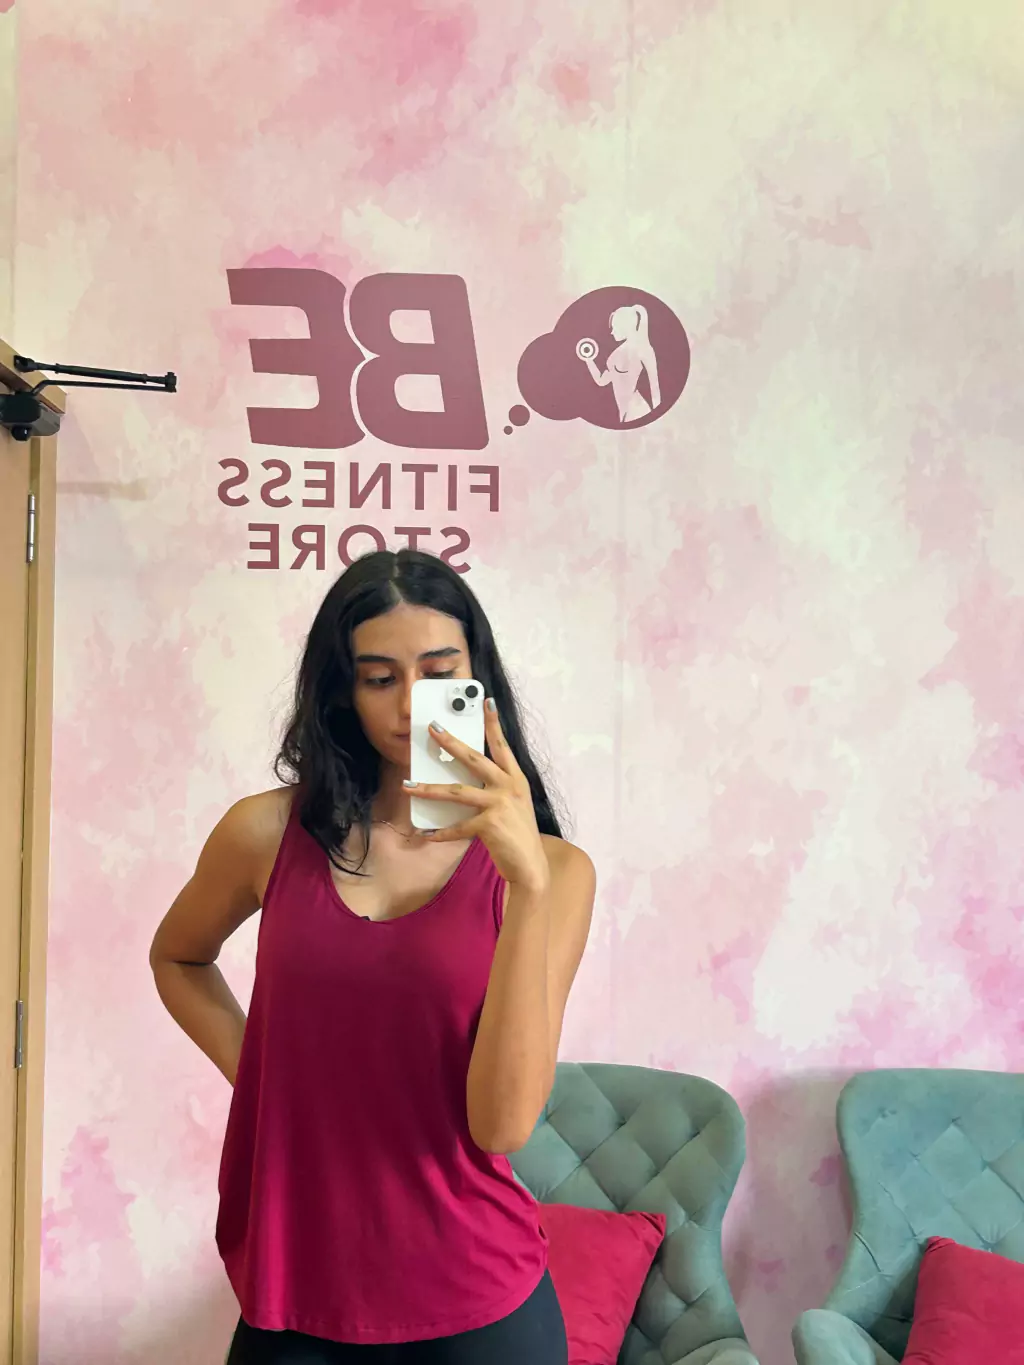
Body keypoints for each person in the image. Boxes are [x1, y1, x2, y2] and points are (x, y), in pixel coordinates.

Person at [150, 549, 596, 1365]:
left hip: (479, 1300)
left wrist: (526, 885)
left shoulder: (555, 873)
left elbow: (501, 1123)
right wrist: (263, 1074)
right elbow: (178, 957)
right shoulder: (265, 833)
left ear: (478, 678)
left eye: (439, 671)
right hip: (297, 1292)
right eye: (380, 677)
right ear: (342, 692)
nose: (410, 702)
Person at [579, 302, 661, 423]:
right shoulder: (616, 355)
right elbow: (601, 381)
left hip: (637, 410)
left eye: (615, 327)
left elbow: (654, 388)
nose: (612, 332)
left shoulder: (643, 350)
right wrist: (588, 360)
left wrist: (657, 418)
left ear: (625, 327)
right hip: (624, 413)